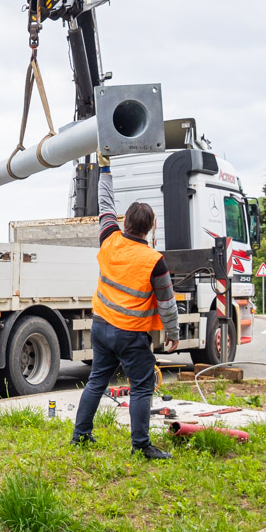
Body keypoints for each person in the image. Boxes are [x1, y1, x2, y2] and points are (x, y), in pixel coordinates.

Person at [71, 152, 180, 460]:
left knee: (96, 381)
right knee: (142, 387)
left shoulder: (109, 238)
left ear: (126, 222)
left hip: (101, 327)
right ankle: (141, 445)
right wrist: (173, 332)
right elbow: (167, 303)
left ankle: (80, 435)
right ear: (151, 227)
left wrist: (105, 168)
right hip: (131, 335)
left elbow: (105, 203)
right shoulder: (154, 261)